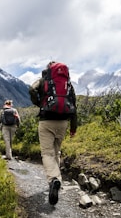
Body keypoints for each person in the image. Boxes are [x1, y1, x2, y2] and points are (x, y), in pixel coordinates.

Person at [30, 61, 77, 205]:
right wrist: (73, 128)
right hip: (63, 122)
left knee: (47, 153)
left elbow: (32, 89)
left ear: (48, 69)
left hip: (46, 121)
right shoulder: (67, 83)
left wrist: (39, 103)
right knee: (56, 152)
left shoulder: (44, 80)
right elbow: (74, 104)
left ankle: (53, 180)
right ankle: (56, 179)